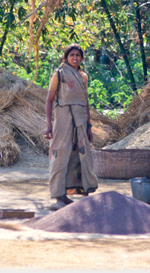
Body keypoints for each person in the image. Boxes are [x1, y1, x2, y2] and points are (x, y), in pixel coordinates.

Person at [44, 43, 98, 210]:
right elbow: (49, 99)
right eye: (71, 55)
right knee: (60, 154)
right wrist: (48, 125)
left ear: (81, 58)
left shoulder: (83, 76)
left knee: (81, 155)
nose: (75, 58)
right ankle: (58, 196)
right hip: (63, 118)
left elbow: (85, 102)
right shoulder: (59, 74)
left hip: (81, 120)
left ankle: (75, 193)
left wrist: (89, 126)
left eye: (78, 55)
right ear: (66, 57)